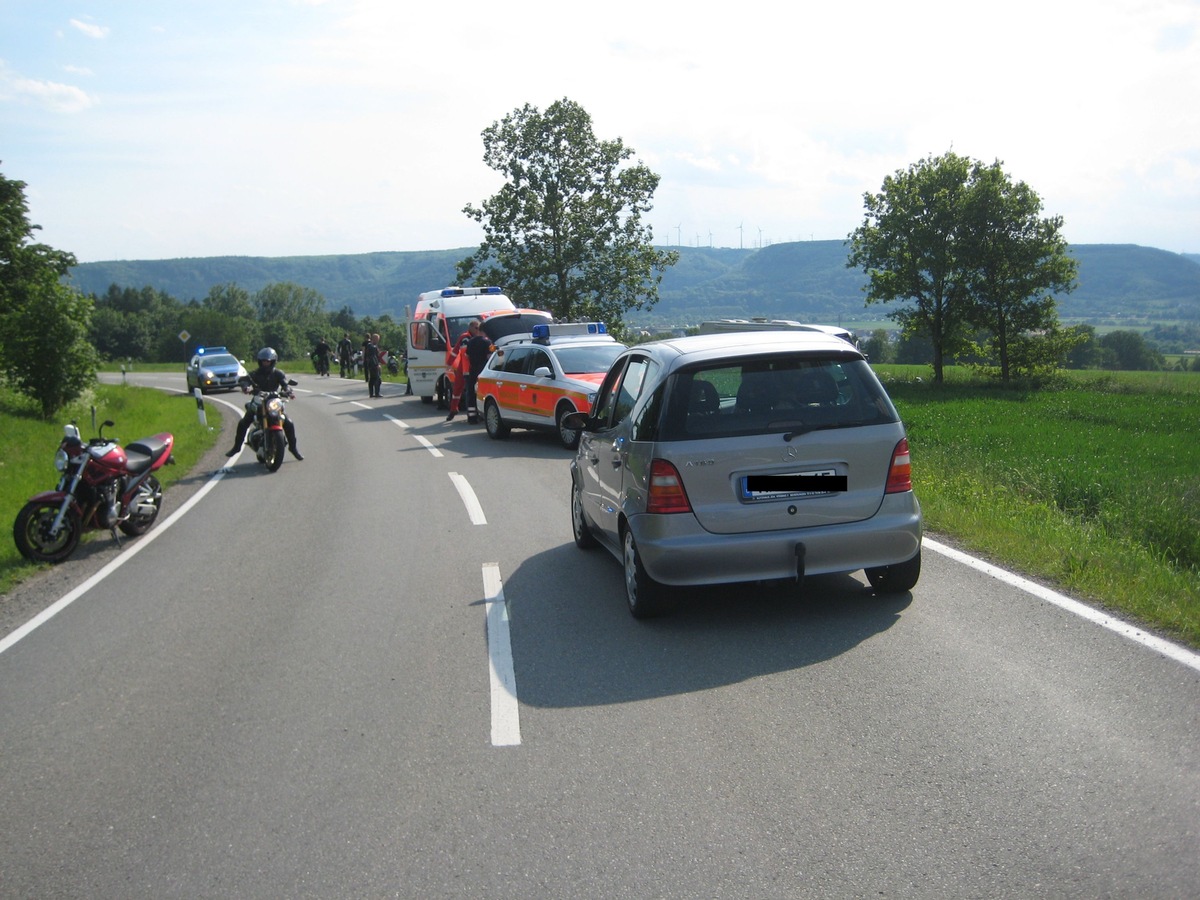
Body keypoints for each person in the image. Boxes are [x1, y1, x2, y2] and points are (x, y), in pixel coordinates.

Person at [225, 347, 303, 459]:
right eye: (263, 361)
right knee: (243, 422)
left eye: (267, 361)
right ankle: (237, 447)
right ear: (260, 361)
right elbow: (244, 380)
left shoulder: (278, 373)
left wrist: (288, 391)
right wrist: (245, 386)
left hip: (273, 401)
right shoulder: (255, 374)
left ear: (273, 361)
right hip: (258, 401)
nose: (265, 363)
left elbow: (284, 384)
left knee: (289, 423)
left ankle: (293, 448)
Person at [462, 319, 493, 424]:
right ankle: (483, 416)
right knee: (484, 394)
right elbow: (489, 357)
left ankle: (471, 417)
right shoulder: (487, 342)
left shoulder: (470, 341)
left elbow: (467, 355)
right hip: (483, 372)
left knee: (471, 394)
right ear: (483, 331)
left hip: (472, 370)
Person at [362, 332, 382, 398]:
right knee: (377, 379)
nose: (378, 340)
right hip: (373, 365)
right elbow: (373, 357)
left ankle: (371, 394)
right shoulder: (372, 347)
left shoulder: (369, 346)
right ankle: (377, 393)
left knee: (372, 379)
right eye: (377, 339)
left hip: (370, 364)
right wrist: (377, 364)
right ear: (375, 339)